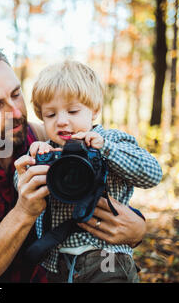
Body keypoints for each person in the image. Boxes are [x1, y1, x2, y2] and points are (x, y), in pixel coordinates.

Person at [0, 41, 147, 283]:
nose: (16, 112)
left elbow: (101, 191)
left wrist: (137, 229)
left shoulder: (49, 140)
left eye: (16, 95)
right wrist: (25, 210)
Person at [16, 60, 162, 282]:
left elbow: (152, 174)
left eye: (73, 110)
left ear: (94, 110)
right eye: (51, 115)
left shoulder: (111, 141)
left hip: (107, 256)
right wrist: (33, 165)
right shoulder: (46, 151)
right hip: (57, 261)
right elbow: (21, 187)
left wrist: (105, 149)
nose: (62, 121)